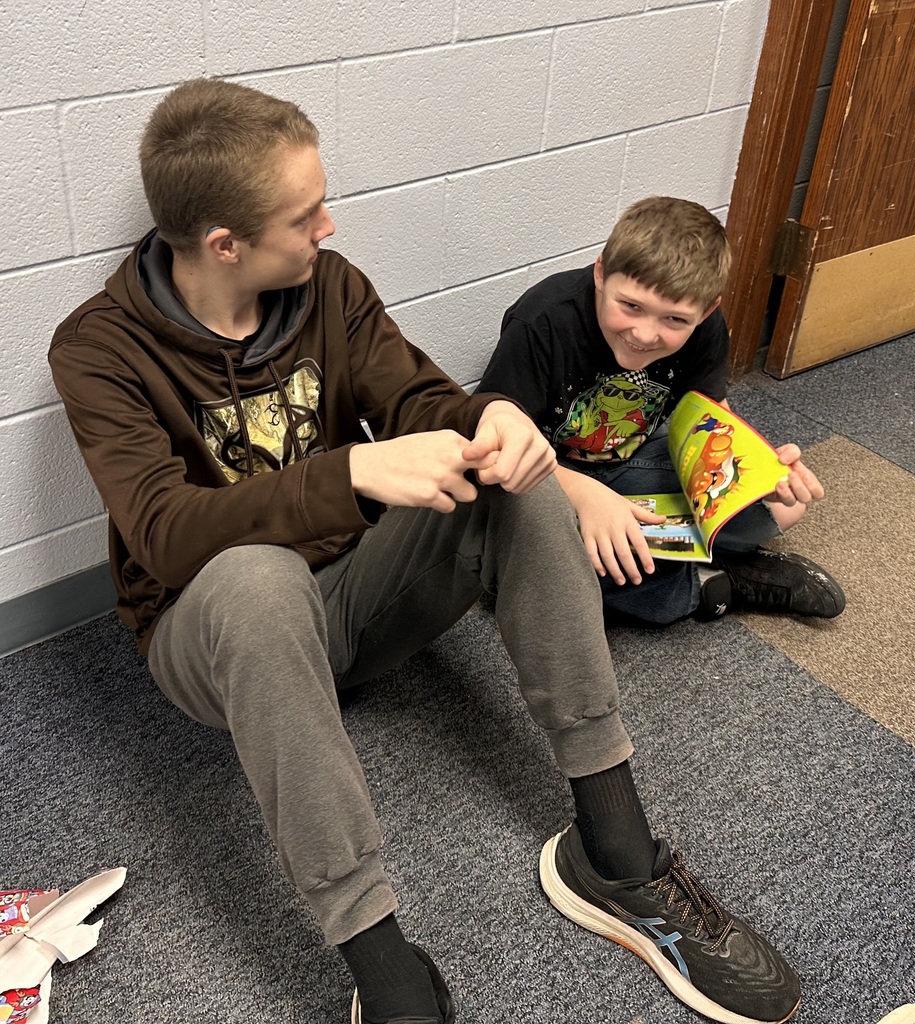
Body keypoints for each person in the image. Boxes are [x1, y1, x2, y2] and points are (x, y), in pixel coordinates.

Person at [49, 80, 801, 1024]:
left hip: (356, 604)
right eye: (303, 214)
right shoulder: (96, 349)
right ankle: (379, 960)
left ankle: (615, 851)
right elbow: (163, 533)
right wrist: (356, 471)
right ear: (224, 244)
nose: (329, 222)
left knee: (517, 487)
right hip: (218, 640)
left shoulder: (330, 285)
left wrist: (493, 419)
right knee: (253, 576)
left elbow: (418, 398)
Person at [478, 196, 845, 626]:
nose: (645, 334)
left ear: (706, 310)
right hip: (541, 483)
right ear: (601, 273)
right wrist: (587, 496)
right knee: (515, 578)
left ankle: (680, 569)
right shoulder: (543, 320)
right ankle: (712, 582)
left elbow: (710, 422)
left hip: (629, 462)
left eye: (674, 320)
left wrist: (757, 471)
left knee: (784, 508)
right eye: (630, 306)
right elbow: (494, 449)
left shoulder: (705, 328)